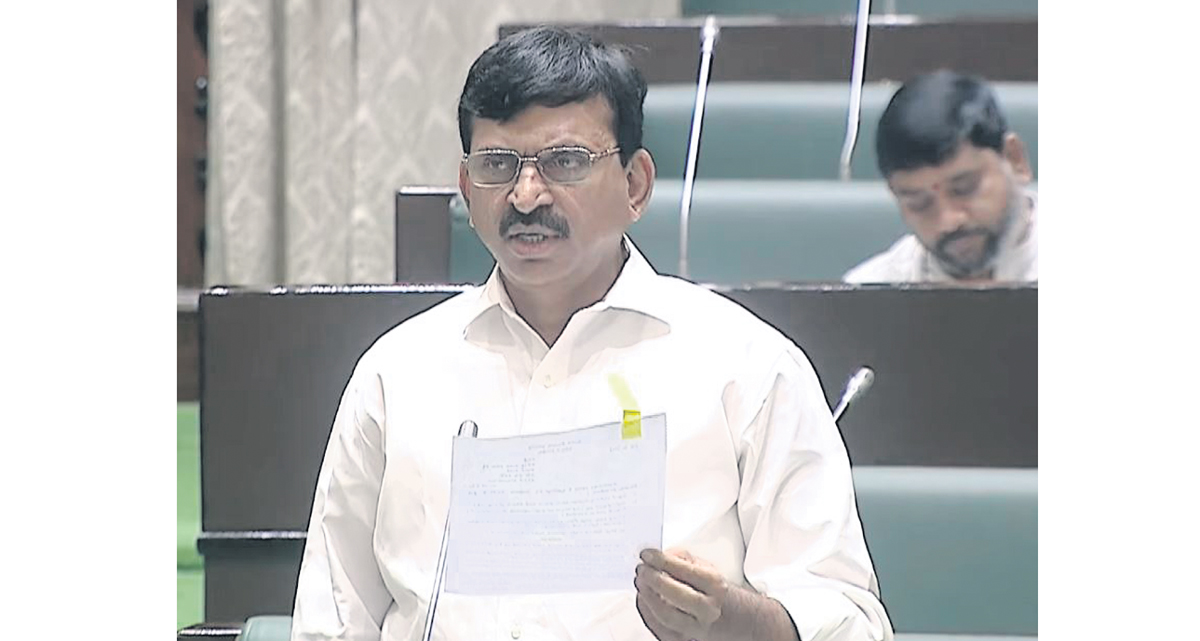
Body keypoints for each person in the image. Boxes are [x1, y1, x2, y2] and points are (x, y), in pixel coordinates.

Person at [291, 26, 892, 641]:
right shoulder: (397, 372)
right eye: (497, 165)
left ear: (635, 185)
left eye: (565, 162)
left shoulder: (746, 366)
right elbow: (331, 619)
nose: (526, 196)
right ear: (467, 189)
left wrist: (735, 622)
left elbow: (850, 623)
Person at [844, 70, 1038, 284]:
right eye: (919, 204)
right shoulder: (870, 291)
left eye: (964, 189)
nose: (949, 221)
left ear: (1014, 160)